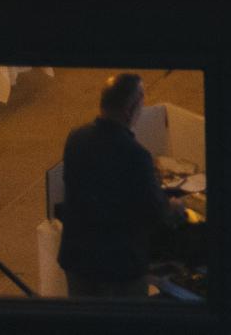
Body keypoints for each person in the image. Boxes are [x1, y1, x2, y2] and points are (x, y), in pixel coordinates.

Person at [58, 73, 179, 298]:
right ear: (131, 108)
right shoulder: (136, 155)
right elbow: (154, 211)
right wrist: (174, 206)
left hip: (77, 259)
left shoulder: (76, 138)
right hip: (118, 268)